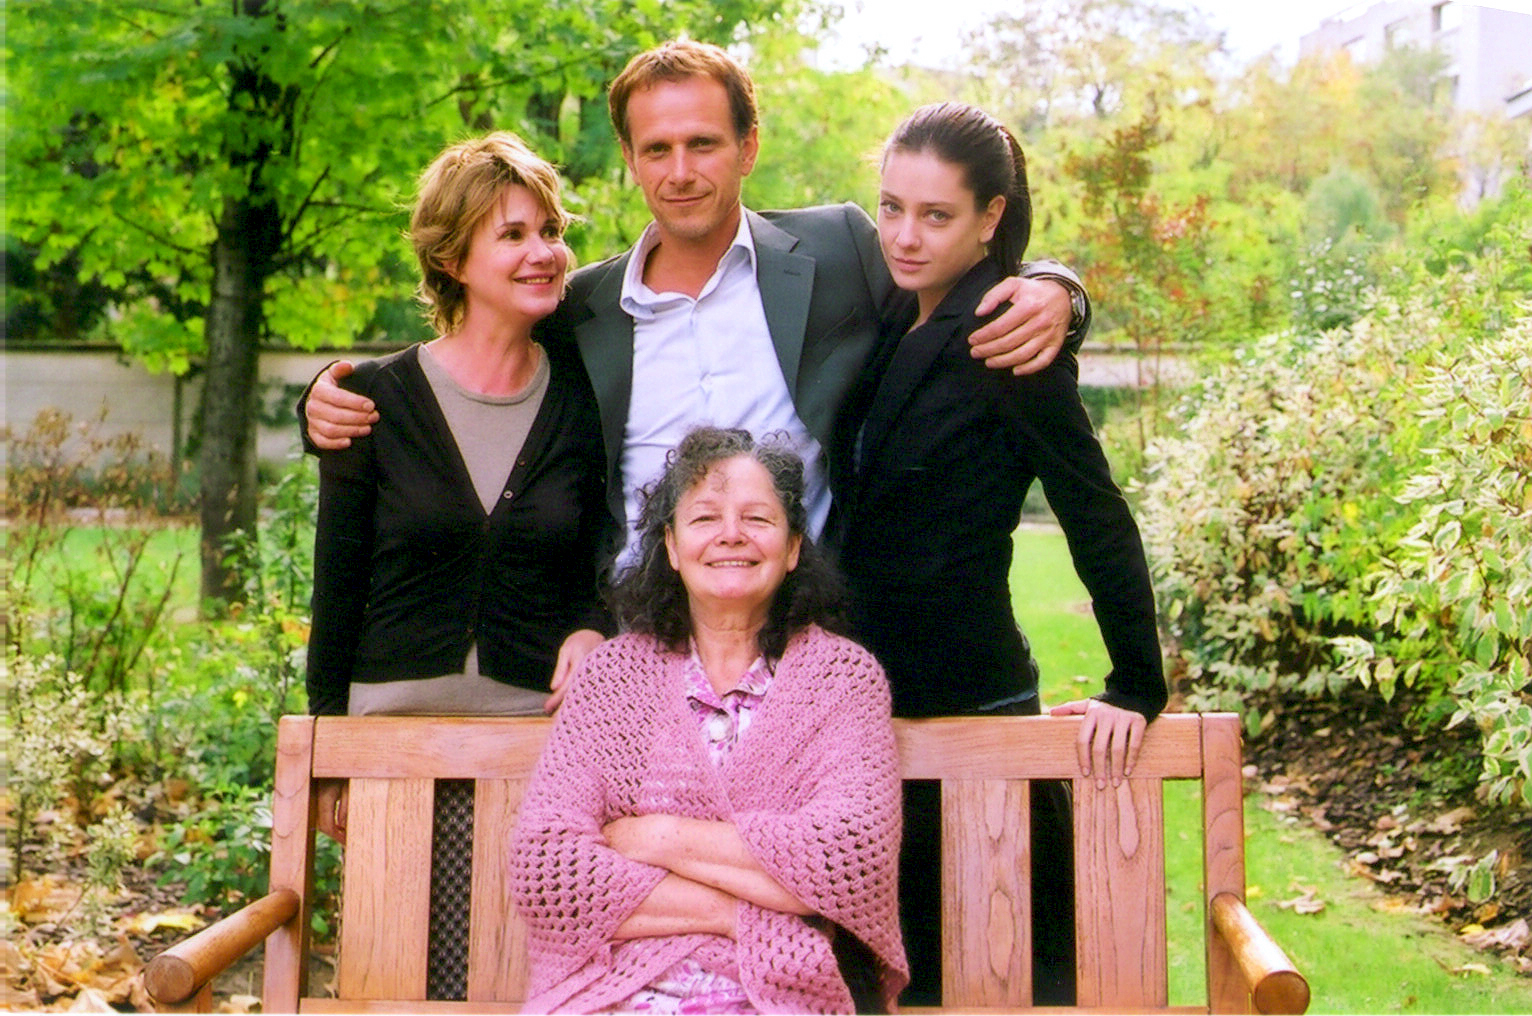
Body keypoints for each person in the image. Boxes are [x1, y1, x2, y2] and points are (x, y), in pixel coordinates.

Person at [299, 42, 1095, 701]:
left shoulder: (838, 252)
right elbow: (472, 362)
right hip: (634, 670)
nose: (680, 171)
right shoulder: (580, 309)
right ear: (630, 159)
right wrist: (328, 403)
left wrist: (1059, 289)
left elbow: (952, 280)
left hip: (809, 659)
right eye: (657, 149)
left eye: (703, 144)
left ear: (748, 147)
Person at [825, 102, 1169, 1005]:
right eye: (891, 207)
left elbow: (1095, 513)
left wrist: (1137, 683)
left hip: (971, 711)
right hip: (863, 723)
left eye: (936, 215)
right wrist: (1064, 283)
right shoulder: (893, 311)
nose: (904, 235)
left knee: (1009, 983)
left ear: (990, 217)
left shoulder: (1008, 337)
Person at [304, 132, 612, 997]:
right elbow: (339, 579)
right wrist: (327, 739)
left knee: (523, 979)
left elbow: (599, 555)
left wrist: (595, 626)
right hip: (392, 736)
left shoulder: (585, 401)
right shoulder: (371, 401)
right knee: (404, 982)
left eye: (550, 230)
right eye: (512, 234)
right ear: (451, 259)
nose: (543, 252)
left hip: (537, 741)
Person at [509, 427, 908, 1014]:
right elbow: (546, 869)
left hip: (779, 995)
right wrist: (748, 908)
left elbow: (850, 859)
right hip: (613, 995)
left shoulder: (843, 679)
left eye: (757, 518)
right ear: (671, 547)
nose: (731, 535)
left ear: (793, 548)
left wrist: (654, 837)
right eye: (704, 518)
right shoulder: (612, 676)